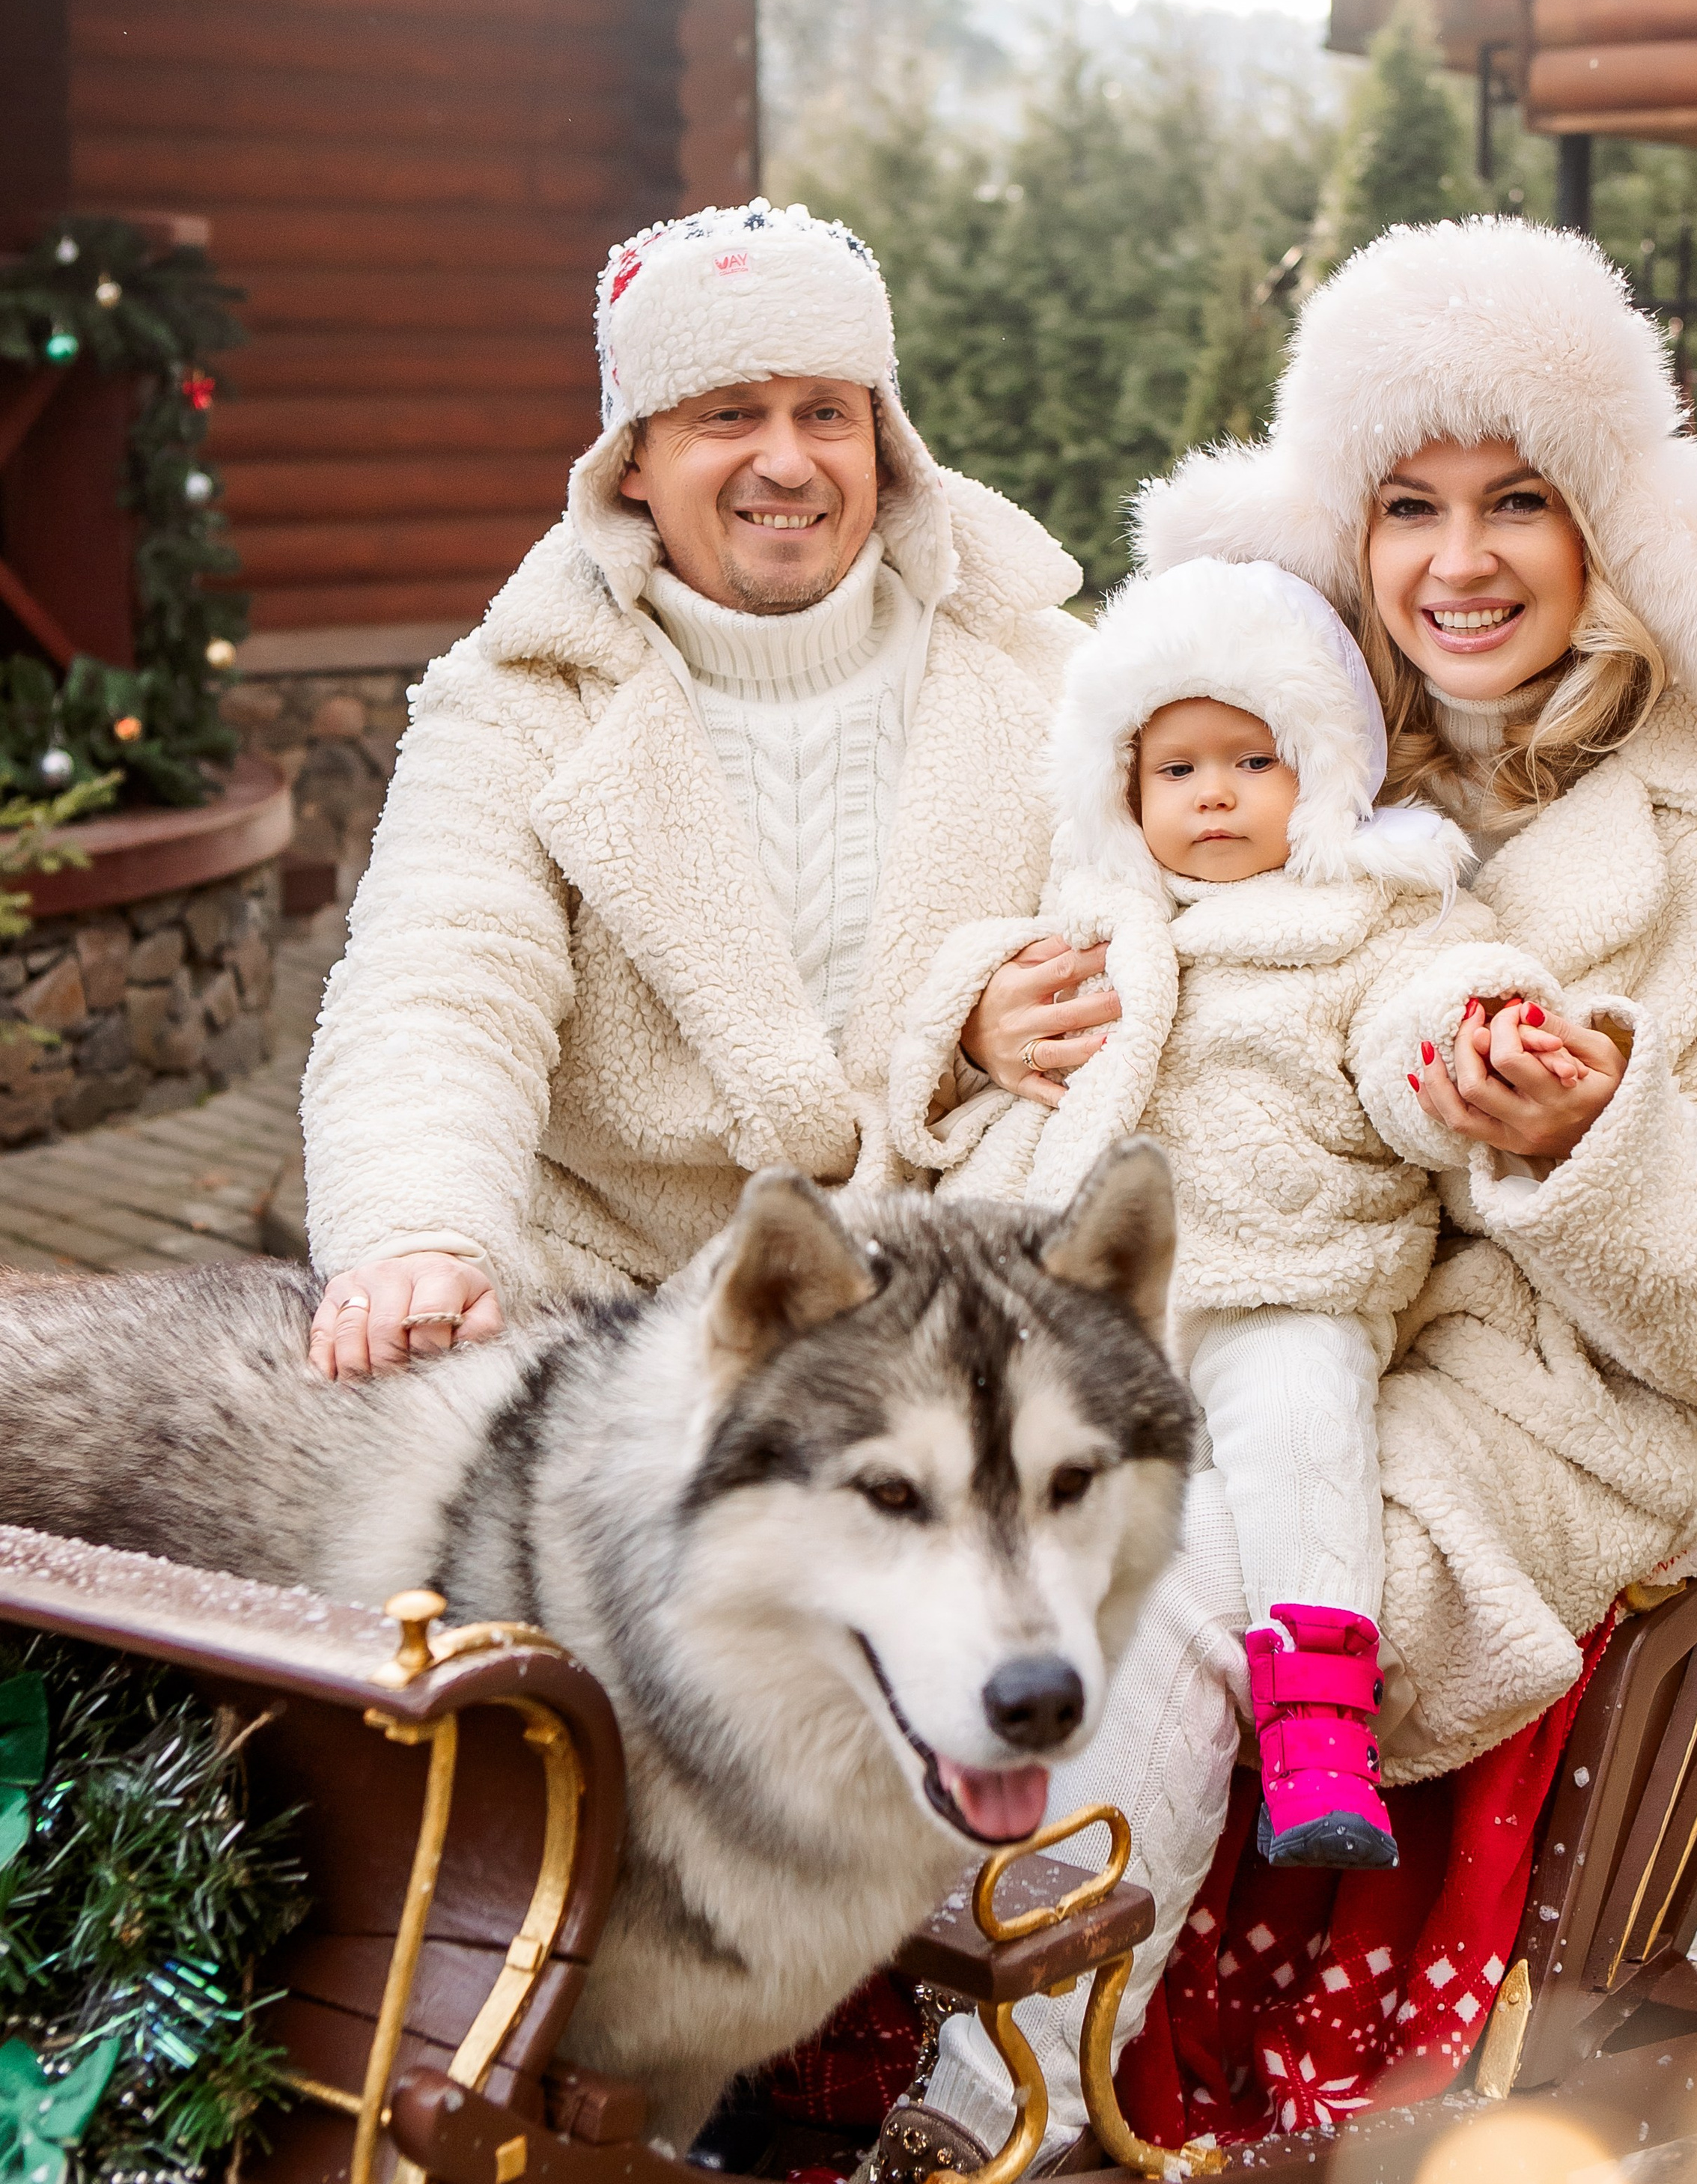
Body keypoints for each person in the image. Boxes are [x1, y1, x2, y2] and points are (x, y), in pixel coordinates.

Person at [905, 213, 1697, 2174]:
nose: (1461, 562)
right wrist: (989, 1032)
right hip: (1234, 1292)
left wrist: (1593, 1143)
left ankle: (1001, 2122)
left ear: (1611, 520)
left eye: (1519, 498)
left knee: (1181, 1559)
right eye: (1410, 503)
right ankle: (770, 2007)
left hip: (1562, 1396)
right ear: (1341, 525)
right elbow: (1090, 961)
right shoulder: (1272, 734)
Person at [299, 199, 1114, 1375]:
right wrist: (419, 1235)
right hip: (610, 1305)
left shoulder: (1050, 677)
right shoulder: (518, 702)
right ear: (631, 459)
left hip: (965, 1296)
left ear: (883, 443)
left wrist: (970, 1038)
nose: (787, 460)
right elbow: (440, 982)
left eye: (825, 413)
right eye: (731, 413)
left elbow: (1160, 940)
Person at [891, 553, 1565, 1879]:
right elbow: (982, 1034)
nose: (1213, 794)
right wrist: (974, 1027)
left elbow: (1422, 1014)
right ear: (1123, 793)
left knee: (1304, 1442)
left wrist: (1465, 1046)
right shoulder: (1098, 917)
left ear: (1324, 775)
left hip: (1289, 1272)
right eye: (1178, 768)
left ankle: (1320, 1719)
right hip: (1092, 1300)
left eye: (1254, 763)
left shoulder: (1373, 913)